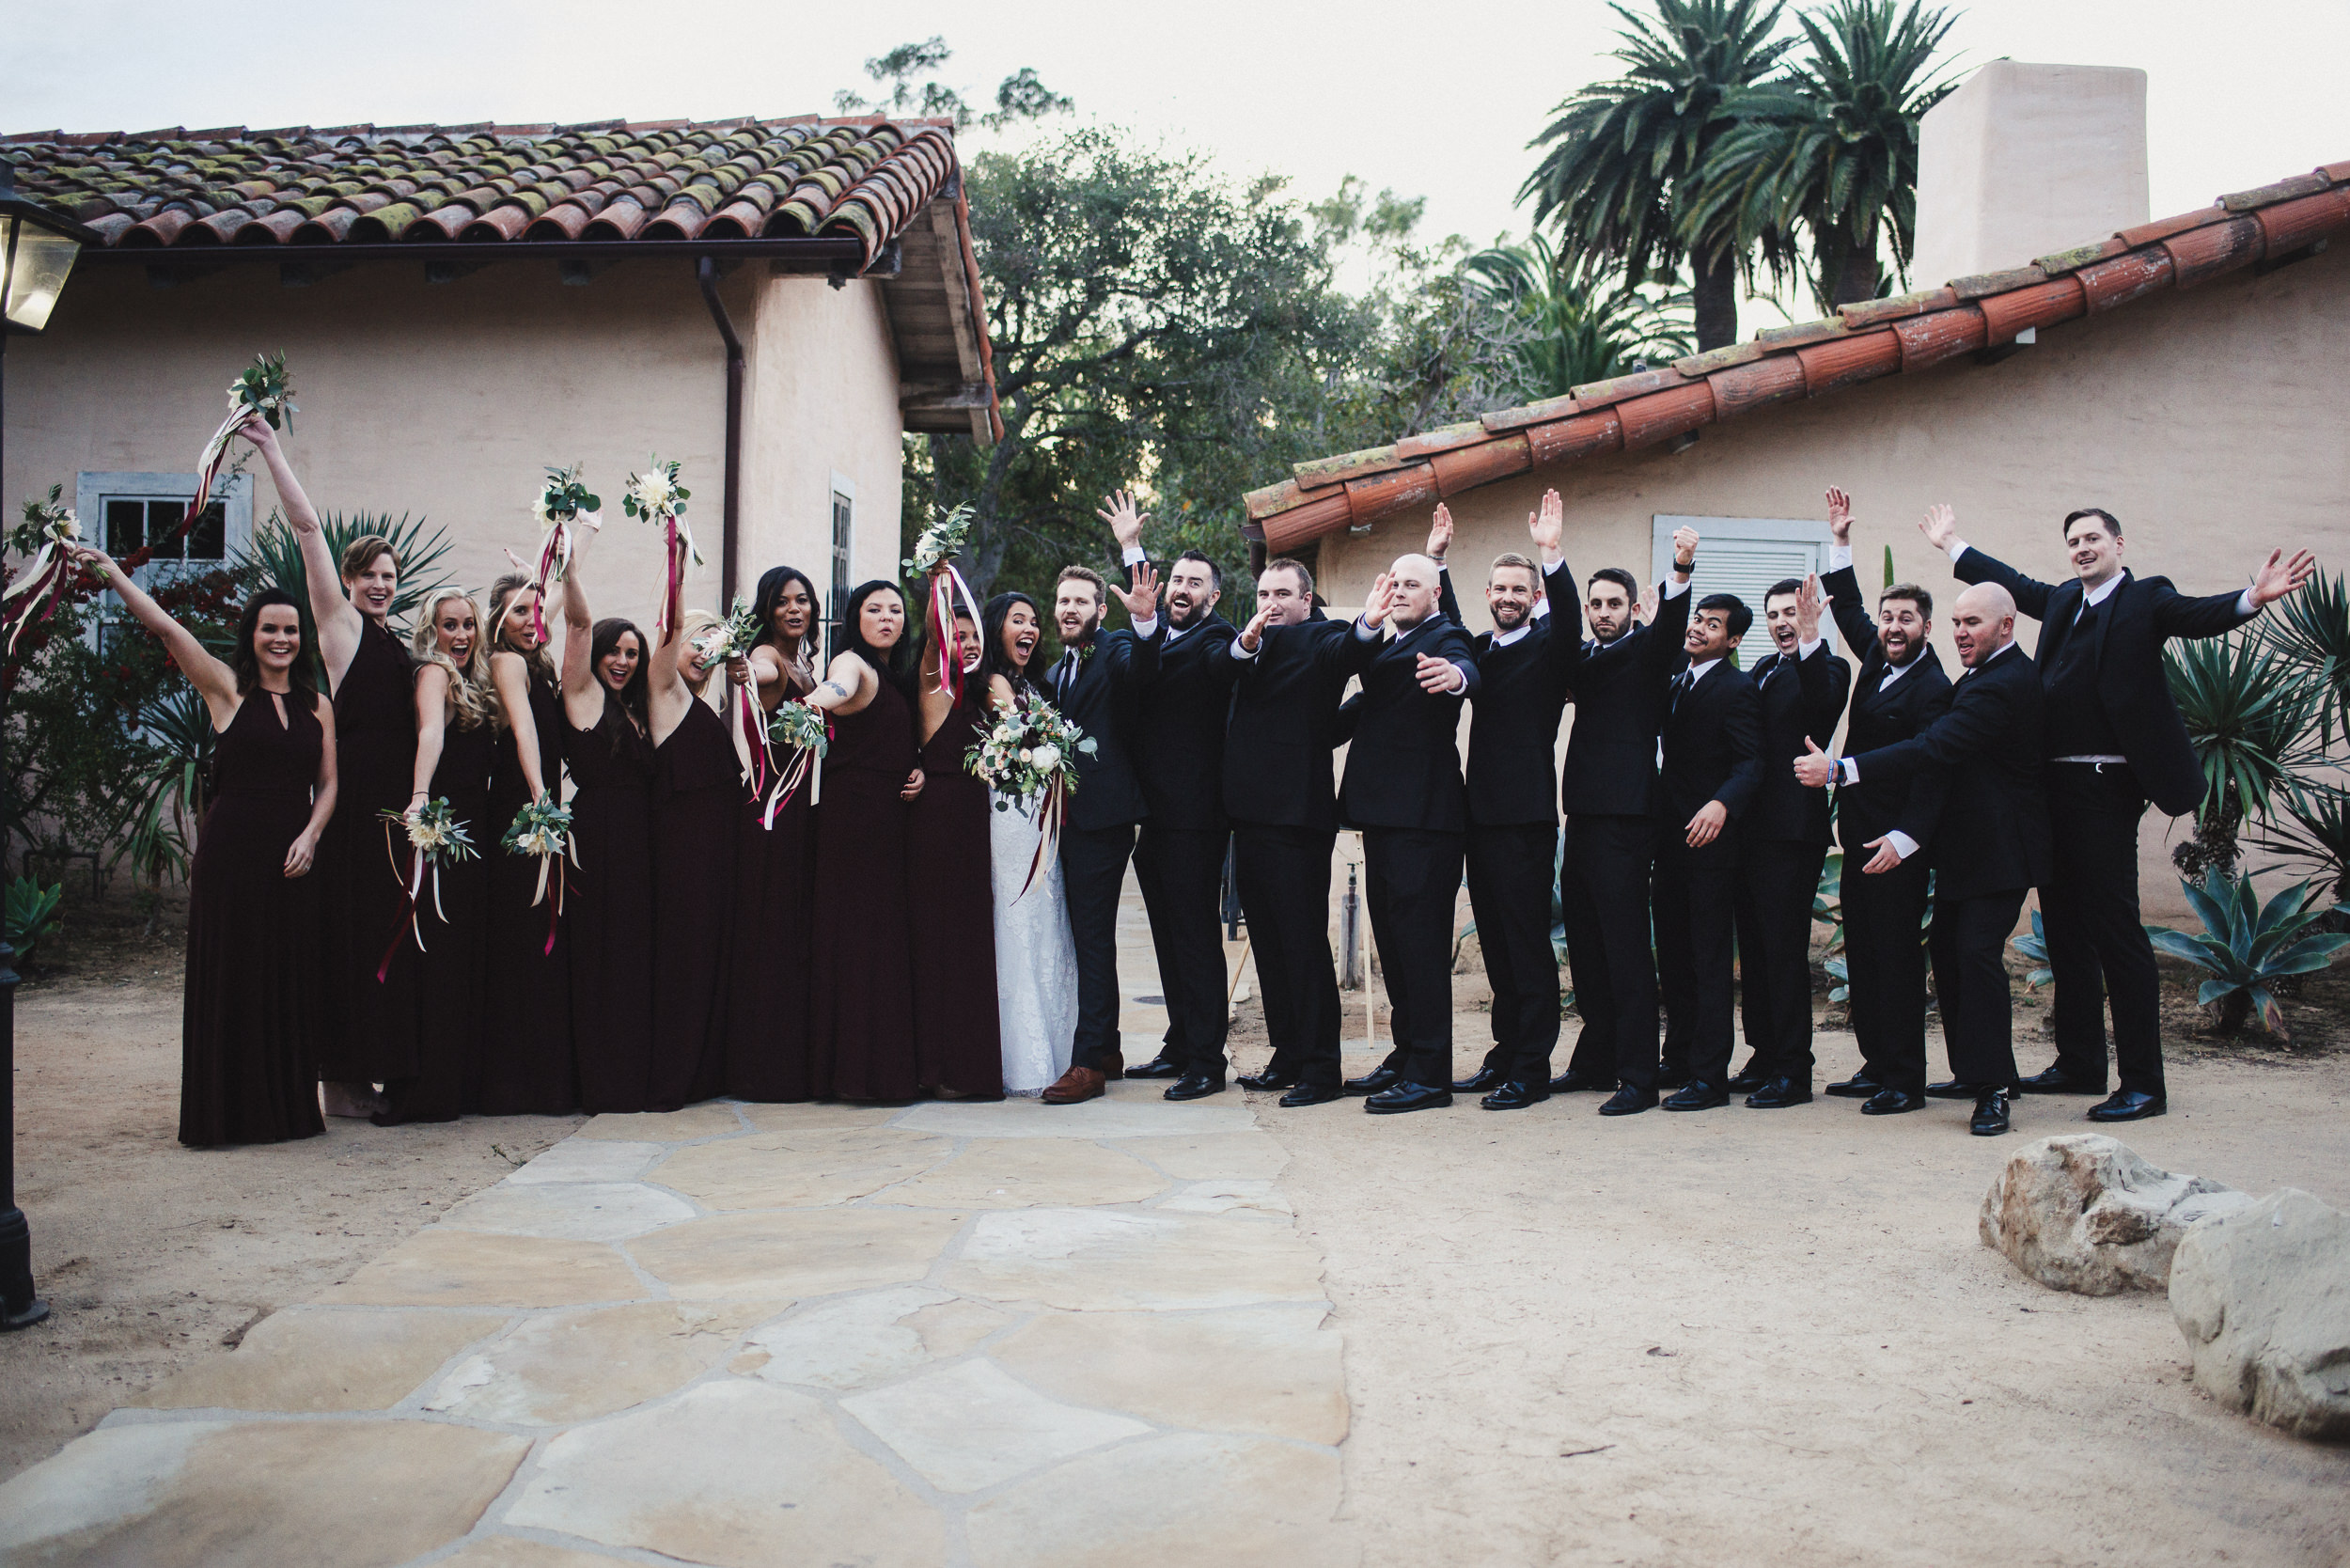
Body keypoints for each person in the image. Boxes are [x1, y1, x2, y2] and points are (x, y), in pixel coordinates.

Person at [1930, 504, 2315, 1122]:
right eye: (2074, 541)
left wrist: (2252, 597)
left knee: (2116, 934)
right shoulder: (2060, 603)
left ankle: (2144, 1084)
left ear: (2118, 544)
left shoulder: (2145, 599)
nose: (2083, 548)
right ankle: (2081, 1062)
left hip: (2105, 789)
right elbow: (2017, 585)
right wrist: (1953, 546)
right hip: (2051, 790)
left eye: (2093, 539)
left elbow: (2197, 615)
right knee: (2064, 931)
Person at [73, 552, 334, 1148]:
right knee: (236, 975)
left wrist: (312, 834)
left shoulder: (318, 705)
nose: (281, 638)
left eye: (291, 629)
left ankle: (286, 1112)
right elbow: (167, 628)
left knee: (286, 978)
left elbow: (331, 783)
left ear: (303, 637)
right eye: (270, 628)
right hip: (233, 856)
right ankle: (229, 1115)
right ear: (252, 634)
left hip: (294, 858)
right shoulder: (225, 687)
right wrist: (113, 573)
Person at [1797, 577, 2051, 1137]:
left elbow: (1933, 751)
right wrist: (1840, 547)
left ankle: (1989, 1089)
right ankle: (1966, 1072)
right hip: (1961, 851)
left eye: (1972, 623)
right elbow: (1864, 622)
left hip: (1997, 850)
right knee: (1947, 953)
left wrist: (1842, 771)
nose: (1963, 632)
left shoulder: (1992, 683)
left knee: (1971, 957)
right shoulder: (1972, 672)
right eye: (1959, 622)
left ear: (2005, 626)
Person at [242, 417, 411, 1119]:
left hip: (396, 814)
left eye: (389, 577)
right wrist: (271, 448)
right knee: (350, 940)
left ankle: (365, 1071)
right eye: (368, 575)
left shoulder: (398, 643)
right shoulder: (341, 631)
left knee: (383, 941)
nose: (380, 585)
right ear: (345, 582)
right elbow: (309, 531)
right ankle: (339, 1082)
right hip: (354, 810)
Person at [1543, 511, 1698, 1115]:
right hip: (1579, 817)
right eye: (1595, 603)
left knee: (1627, 950)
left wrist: (1681, 571)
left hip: (1629, 823)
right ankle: (1597, 1058)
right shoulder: (1582, 658)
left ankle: (1638, 1076)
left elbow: (1670, 632)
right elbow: (1557, 638)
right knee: (1585, 947)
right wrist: (1553, 568)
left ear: (1635, 609)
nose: (1603, 611)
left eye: (1614, 603)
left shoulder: (1648, 654)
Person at [1428, 502, 1571, 1110]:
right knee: (1497, 945)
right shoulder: (1480, 649)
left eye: (1521, 589)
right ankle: (1505, 1053)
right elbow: (1452, 624)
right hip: (1478, 821)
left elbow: (1567, 622)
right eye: (1501, 588)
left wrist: (1550, 553)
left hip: (1527, 823)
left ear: (1532, 595)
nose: (1509, 596)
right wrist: (1436, 559)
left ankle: (1531, 1069)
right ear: (1490, 592)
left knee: (1527, 947)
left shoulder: (1547, 646)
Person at [1330, 553, 1480, 1114]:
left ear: (1435, 595)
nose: (1399, 591)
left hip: (1427, 825)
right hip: (1385, 825)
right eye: (1394, 583)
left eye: (1413, 584)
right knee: (1393, 950)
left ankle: (1430, 1076)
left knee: (1419, 952)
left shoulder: (1445, 638)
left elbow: (1467, 666)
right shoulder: (1385, 647)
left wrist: (1458, 678)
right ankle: (1406, 1053)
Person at [1819, 489, 1952, 1114]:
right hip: (1858, 835)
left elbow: (1934, 771)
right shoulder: (1875, 655)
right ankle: (1875, 1064)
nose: (1892, 628)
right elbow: (1845, 607)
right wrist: (1841, 540)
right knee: (1866, 957)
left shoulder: (1935, 688)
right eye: (1888, 617)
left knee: (1897, 964)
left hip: (1897, 845)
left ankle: (1906, 1080)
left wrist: (1906, 841)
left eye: (1905, 619)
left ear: (1926, 626)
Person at [1037, 498, 1163, 1106]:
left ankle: (1088, 1064)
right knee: (1082, 936)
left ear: (1098, 609)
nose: (1070, 610)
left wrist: (1142, 618)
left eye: (1081, 602)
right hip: (1058, 822)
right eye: (1063, 602)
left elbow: (1143, 673)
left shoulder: (1113, 650)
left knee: (1090, 936)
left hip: (1102, 819)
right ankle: (1107, 1044)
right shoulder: (1054, 667)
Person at [1220, 560, 1355, 1106]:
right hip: (1248, 818)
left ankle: (1322, 1069)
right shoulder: (1249, 645)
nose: (1270, 602)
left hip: (1298, 820)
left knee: (1301, 945)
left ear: (1307, 599)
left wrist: (1368, 622)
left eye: (1282, 593)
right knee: (1269, 946)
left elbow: (1355, 652)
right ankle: (1287, 1055)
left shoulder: (1323, 638)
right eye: (1262, 593)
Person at [373, 589, 498, 1124]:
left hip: (474, 831)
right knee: (437, 958)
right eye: (451, 625)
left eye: (469, 624)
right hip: (443, 831)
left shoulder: (475, 680)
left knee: (460, 958)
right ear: (433, 630)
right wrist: (420, 798)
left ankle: (457, 1084)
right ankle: (429, 1090)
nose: (462, 635)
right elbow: (429, 732)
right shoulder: (434, 674)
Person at [1728, 575, 1849, 1108]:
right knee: (1753, 950)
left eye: (1790, 613)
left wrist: (1809, 635)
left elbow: (1821, 707)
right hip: (1749, 832)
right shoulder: (1758, 670)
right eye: (1774, 614)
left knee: (1781, 952)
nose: (1782, 622)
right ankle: (1763, 1053)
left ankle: (1794, 1070)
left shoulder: (1828, 667)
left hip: (1791, 833)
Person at [1126, 548, 1242, 1102]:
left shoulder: (1216, 639)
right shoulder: (1157, 636)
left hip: (1196, 819)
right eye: (1176, 579)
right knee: (1168, 940)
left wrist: (1245, 645)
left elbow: (1226, 662)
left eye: (1195, 583)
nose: (1181, 588)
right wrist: (1132, 550)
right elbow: (1145, 609)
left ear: (1213, 597)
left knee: (1195, 940)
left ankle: (1206, 1061)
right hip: (1154, 818)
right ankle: (1179, 1041)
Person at [805, 580, 926, 1102]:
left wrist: (918, 767)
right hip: (854, 822)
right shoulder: (851, 663)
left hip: (889, 821)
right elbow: (837, 688)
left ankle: (881, 1063)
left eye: (895, 610)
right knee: (859, 941)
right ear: (855, 618)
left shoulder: (895, 676)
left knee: (884, 941)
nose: (886, 618)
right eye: (874, 609)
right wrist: (815, 700)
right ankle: (856, 1071)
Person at [557, 524, 658, 1114]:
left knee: (632, 955)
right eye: (612, 651)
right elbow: (573, 624)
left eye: (630, 652)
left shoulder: (637, 708)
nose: (621, 660)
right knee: (600, 953)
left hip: (640, 840)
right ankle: (599, 1078)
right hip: (598, 834)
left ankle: (630, 1072)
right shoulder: (583, 695)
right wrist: (570, 567)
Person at [1651, 589, 1763, 1111]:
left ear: (1733, 641)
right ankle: (1678, 1056)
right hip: (1670, 842)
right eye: (1697, 620)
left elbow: (1751, 763)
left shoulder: (1739, 689)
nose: (1698, 628)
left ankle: (1710, 1076)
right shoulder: (1676, 678)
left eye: (1712, 625)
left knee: (1709, 958)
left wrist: (1721, 805)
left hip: (1712, 844)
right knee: (1673, 956)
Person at [476, 572, 574, 1115]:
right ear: (498, 619)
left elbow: (553, 599)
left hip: (540, 806)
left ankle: (539, 1073)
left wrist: (582, 536)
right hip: (521, 808)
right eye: (518, 613)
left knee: (540, 933)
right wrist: (540, 797)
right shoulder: (508, 662)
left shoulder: (535, 657)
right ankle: (515, 1080)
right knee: (523, 934)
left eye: (537, 613)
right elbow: (523, 731)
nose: (532, 621)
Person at [723, 565, 821, 1102]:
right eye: (783, 601)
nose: (794, 609)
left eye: (802, 600)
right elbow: (757, 675)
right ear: (768, 609)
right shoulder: (770, 658)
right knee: (772, 930)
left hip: (803, 814)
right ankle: (763, 1067)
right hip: (771, 811)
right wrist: (744, 670)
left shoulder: (809, 661)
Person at [979, 590, 1081, 1095]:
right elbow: (1020, 735)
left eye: (1034, 621)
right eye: (1018, 620)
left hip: (1039, 813)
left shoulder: (1030, 681)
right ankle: (1021, 1057)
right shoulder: (994, 681)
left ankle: (1058, 1047)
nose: (1031, 628)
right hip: (1012, 817)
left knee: (1046, 917)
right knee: (1018, 917)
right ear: (997, 627)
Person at [907, 592, 1006, 1099]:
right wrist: (938, 581)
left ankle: (971, 1068)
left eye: (971, 635)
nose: (963, 643)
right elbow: (930, 634)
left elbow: (1021, 737)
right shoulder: (933, 684)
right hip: (939, 818)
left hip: (979, 818)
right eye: (956, 634)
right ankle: (934, 1066)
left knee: (973, 942)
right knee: (938, 939)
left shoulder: (990, 688)